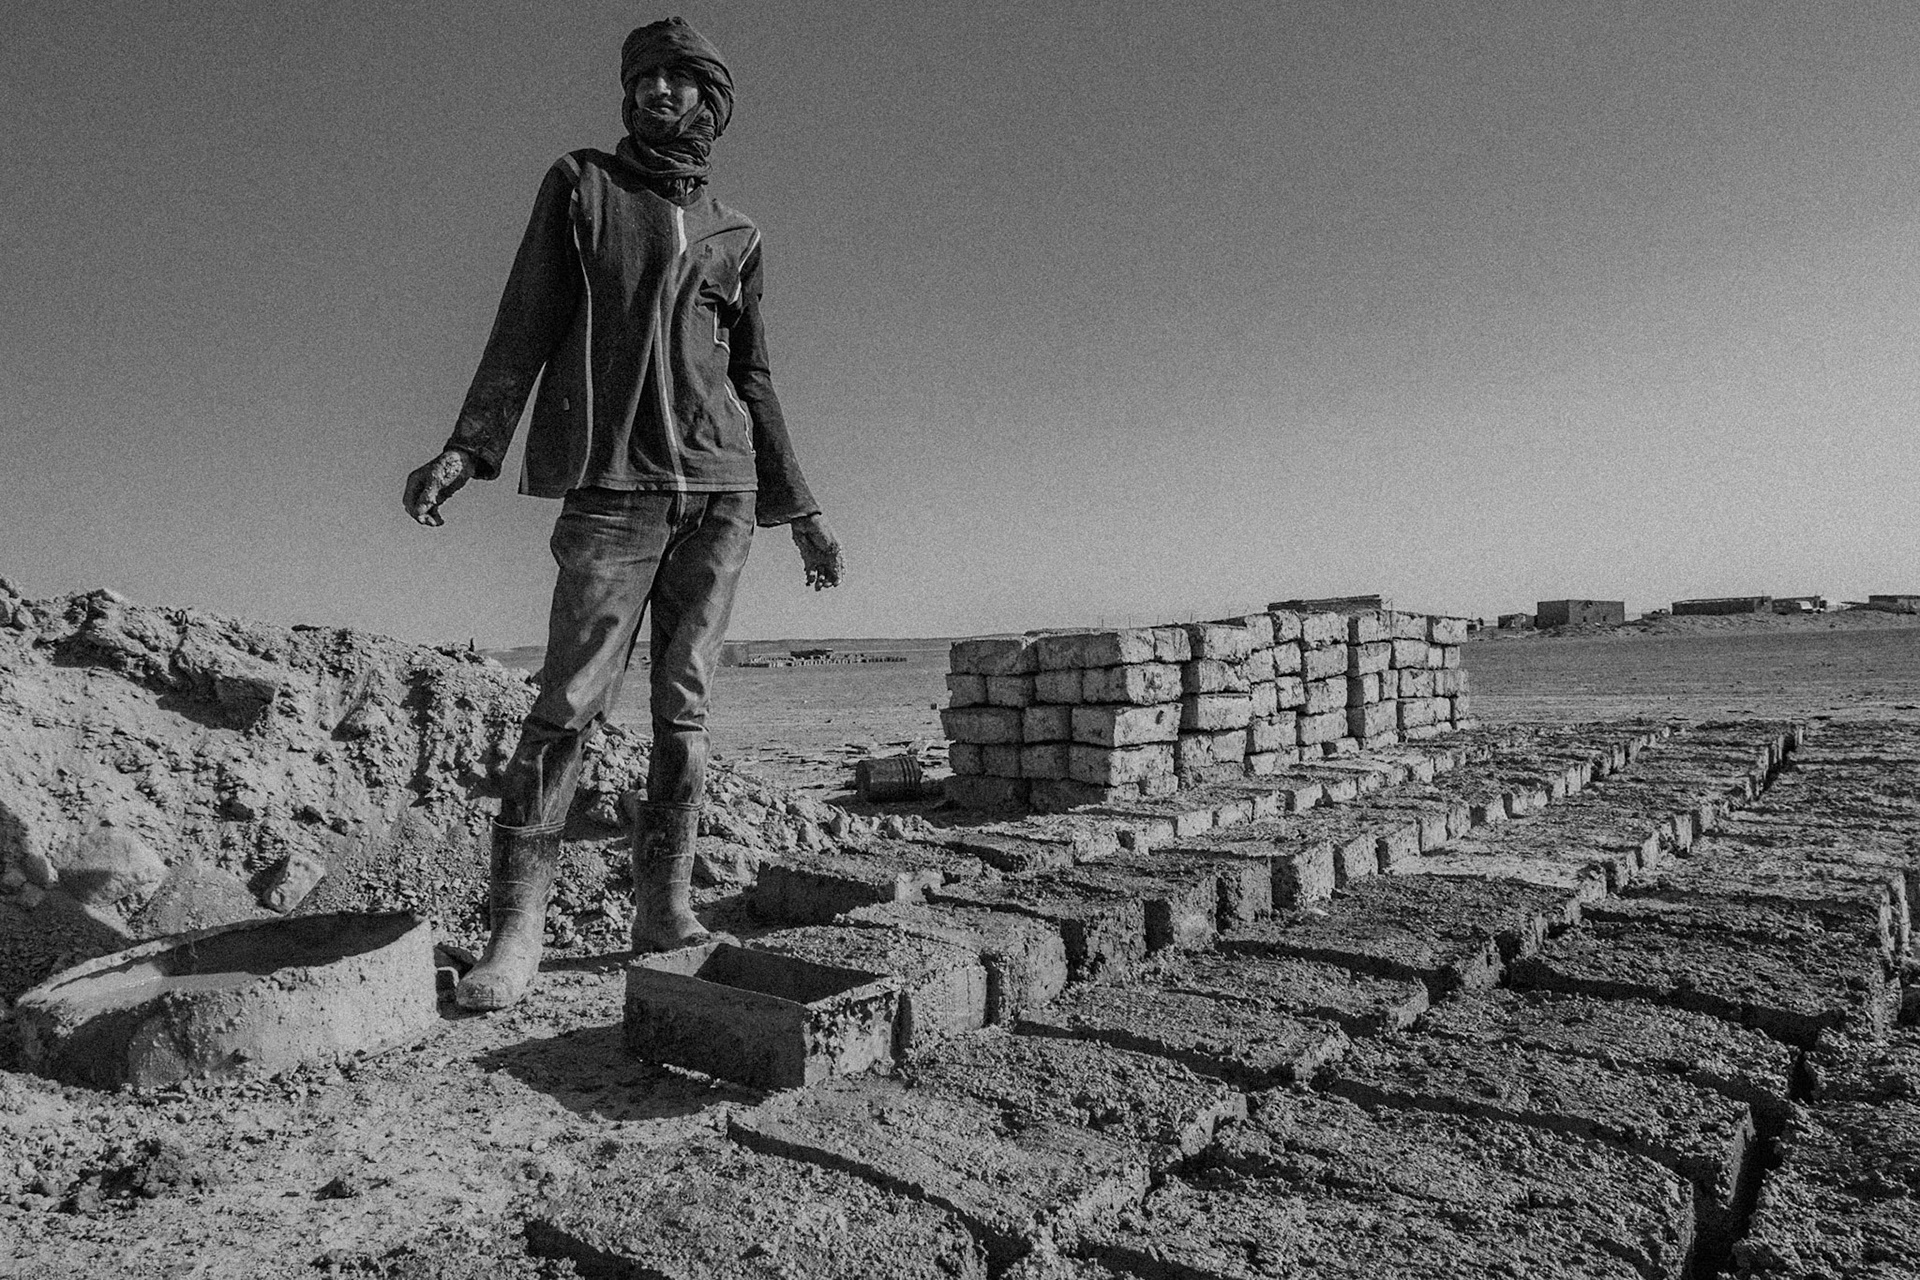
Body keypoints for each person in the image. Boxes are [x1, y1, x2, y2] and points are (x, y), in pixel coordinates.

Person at [402, 16, 844, 1011]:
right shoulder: (579, 185)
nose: (651, 94)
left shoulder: (741, 235)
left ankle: (664, 908)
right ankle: (514, 934)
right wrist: (471, 445)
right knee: (565, 708)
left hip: (721, 493)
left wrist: (803, 510)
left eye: (673, 81)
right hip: (613, 486)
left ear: (710, 101)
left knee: (683, 715)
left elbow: (756, 378)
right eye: (639, 79)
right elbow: (525, 319)